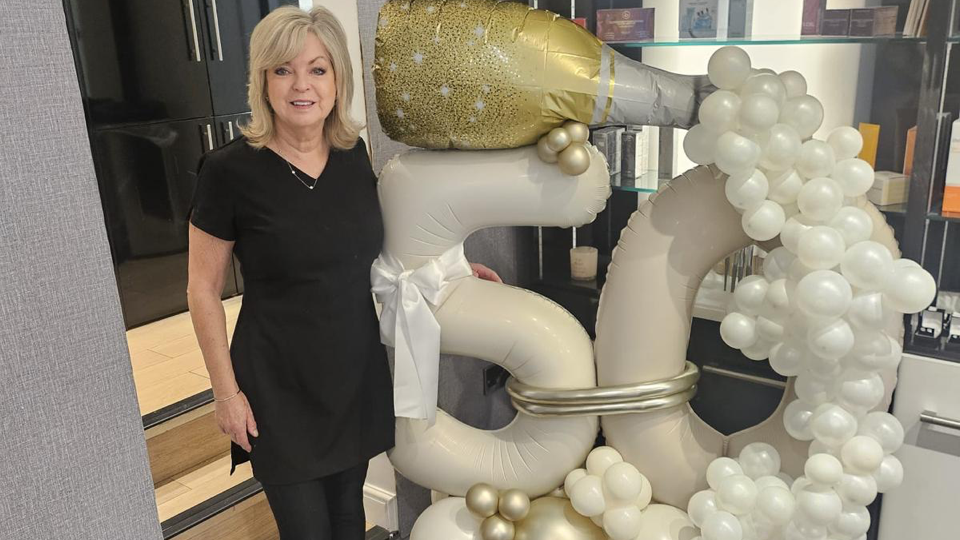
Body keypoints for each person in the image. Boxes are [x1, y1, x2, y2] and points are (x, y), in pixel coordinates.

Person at [186, 6, 500, 539]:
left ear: (338, 80)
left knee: (348, 521)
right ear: (262, 81)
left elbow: (381, 253)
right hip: (277, 385)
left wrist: (451, 269)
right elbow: (201, 288)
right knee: (307, 530)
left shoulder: (356, 157)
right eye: (283, 70)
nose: (301, 85)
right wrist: (224, 392)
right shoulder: (228, 171)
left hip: (352, 374)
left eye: (318, 69)